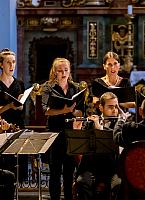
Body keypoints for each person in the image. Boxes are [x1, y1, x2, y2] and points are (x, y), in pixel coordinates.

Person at [41, 57, 84, 200]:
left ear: (70, 70)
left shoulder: (75, 88)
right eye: (60, 70)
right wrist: (64, 110)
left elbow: (80, 112)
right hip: (55, 132)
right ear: (54, 72)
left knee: (69, 172)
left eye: (66, 70)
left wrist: (72, 111)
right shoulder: (48, 87)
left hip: (71, 133)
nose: (63, 73)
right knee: (55, 171)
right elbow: (46, 110)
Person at [76, 92, 121, 200]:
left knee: (118, 184)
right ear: (101, 107)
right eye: (110, 107)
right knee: (81, 181)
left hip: (112, 169)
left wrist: (100, 129)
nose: (114, 110)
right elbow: (82, 146)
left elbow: (116, 140)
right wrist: (78, 130)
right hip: (92, 167)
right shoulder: (89, 123)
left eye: (116, 107)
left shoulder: (120, 124)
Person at [0, 48, 27, 183]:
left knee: (17, 163)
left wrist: (21, 104)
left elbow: (22, 108)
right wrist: (9, 106)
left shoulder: (19, 83)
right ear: (1, 64)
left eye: (14, 62)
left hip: (17, 125)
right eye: (8, 62)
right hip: (1, 127)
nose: (12, 66)